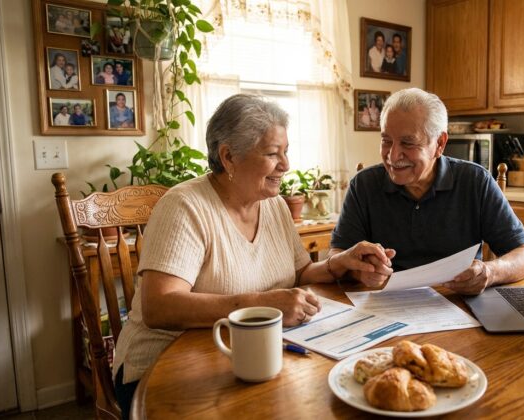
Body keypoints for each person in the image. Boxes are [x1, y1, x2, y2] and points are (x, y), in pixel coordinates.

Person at [112, 94, 394, 419]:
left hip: (247, 355)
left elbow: (300, 273)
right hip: (163, 367)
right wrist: (265, 304)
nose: (286, 165)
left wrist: (339, 263)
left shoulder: (272, 204)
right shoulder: (185, 206)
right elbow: (160, 307)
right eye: (273, 154)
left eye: (286, 151)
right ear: (229, 156)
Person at [330, 88, 524, 295]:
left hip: (459, 306)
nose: (393, 156)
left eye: (407, 143)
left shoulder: (475, 182)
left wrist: (490, 272)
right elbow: (337, 254)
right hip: (385, 306)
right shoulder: (363, 185)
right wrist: (360, 272)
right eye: (386, 141)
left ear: (439, 144)